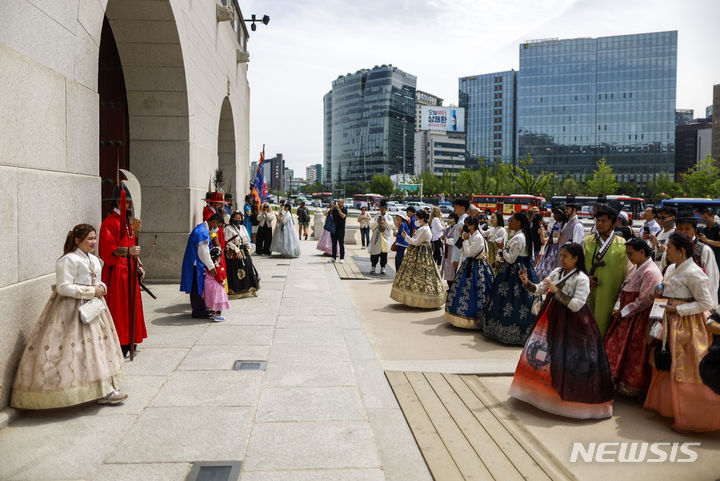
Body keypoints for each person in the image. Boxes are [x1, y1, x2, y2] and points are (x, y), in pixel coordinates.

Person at [11, 224, 127, 409]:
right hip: (70, 311)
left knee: (98, 349)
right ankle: (68, 391)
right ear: (77, 240)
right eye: (89, 238)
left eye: (94, 238)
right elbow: (63, 287)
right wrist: (91, 291)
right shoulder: (68, 260)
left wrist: (102, 287)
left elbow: (97, 281)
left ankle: (105, 389)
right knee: (72, 353)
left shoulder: (94, 259)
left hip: (95, 309)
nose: (93, 242)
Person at [511, 242, 613, 419]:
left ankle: (567, 403)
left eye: (566, 256)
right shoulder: (557, 272)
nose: (562, 259)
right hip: (552, 319)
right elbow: (539, 289)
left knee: (567, 358)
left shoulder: (581, 279)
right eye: (561, 255)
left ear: (576, 258)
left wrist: (556, 290)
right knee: (545, 353)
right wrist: (526, 282)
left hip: (575, 325)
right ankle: (537, 395)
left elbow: (576, 305)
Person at [644, 233, 720, 432]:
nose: (666, 250)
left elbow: (706, 303)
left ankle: (692, 417)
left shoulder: (694, 272)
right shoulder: (670, 268)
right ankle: (670, 408)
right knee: (666, 361)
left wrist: (678, 309)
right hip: (667, 320)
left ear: (681, 250)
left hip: (687, 325)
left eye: (669, 248)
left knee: (687, 367)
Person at [604, 238, 663, 400]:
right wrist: (618, 308)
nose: (629, 257)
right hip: (625, 316)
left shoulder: (651, 272)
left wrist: (624, 311)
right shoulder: (635, 268)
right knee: (615, 348)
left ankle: (631, 388)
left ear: (642, 252)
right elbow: (623, 291)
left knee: (633, 353)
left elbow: (645, 300)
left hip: (637, 319)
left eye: (631, 254)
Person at [99, 185, 147, 358]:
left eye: (129, 203)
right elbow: (107, 251)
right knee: (119, 308)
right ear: (118, 201)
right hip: (116, 271)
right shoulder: (109, 223)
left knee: (132, 306)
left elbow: (132, 244)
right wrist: (128, 252)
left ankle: (131, 338)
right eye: (126, 202)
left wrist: (138, 263)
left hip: (130, 269)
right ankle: (121, 340)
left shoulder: (128, 222)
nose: (129, 205)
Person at [484, 211, 538, 346]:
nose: (509, 222)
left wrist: (502, 249)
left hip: (514, 272)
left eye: (512, 220)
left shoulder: (518, 238)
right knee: (525, 300)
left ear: (518, 223)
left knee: (509, 299)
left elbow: (511, 259)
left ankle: (507, 331)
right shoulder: (524, 235)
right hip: (525, 269)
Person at [584, 202, 627, 336]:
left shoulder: (623, 245)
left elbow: (629, 273)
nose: (599, 224)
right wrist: (585, 278)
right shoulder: (586, 241)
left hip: (611, 296)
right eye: (598, 221)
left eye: (604, 221)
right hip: (588, 293)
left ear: (613, 223)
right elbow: (576, 266)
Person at [445, 216, 494, 329]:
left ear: (472, 226)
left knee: (475, 291)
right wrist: (464, 238)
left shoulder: (477, 238)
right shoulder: (472, 235)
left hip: (476, 267)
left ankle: (473, 318)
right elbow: (460, 247)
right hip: (470, 265)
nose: (465, 226)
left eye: (467, 224)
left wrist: (466, 240)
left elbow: (469, 252)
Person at [661, 213, 719, 307]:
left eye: (687, 229)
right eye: (680, 228)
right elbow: (663, 273)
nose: (683, 232)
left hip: (697, 306)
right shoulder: (668, 251)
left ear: (695, 230)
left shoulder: (704, 250)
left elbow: (712, 282)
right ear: (676, 230)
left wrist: (711, 309)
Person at [390, 209, 446, 308]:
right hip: (419, 253)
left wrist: (406, 236)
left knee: (421, 276)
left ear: (422, 219)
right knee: (416, 275)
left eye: (417, 219)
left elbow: (416, 242)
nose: (415, 221)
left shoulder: (425, 229)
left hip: (421, 254)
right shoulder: (423, 228)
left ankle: (422, 299)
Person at [181, 214, 223, 319]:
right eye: (218, 225)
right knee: (196, 287)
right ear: (213, 222)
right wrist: (211, 266)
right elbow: (203, 252)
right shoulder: (202, 232)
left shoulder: (202, 229)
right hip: (195, 264)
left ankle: (201, 308)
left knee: (198, 287)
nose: (217, 228)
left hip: (196, 263)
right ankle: (198, 311)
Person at [225, 211, 261, 298]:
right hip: (234, 251)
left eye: (239, 219)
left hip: (244, 250)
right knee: (237, 270)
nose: (237, 220)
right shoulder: (228, 229)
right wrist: (236, 250)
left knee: (249, 267)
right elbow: (227, 242)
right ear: (232, 219)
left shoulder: (243, 228)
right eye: (235, 218)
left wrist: (249, 248)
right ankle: (237, 290)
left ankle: (251, 288)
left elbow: (247, 240)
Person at [534, 207, 565, 280]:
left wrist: (553, 239)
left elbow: (557, 237)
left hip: (555, 249)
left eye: (556, 214)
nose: (554, 216)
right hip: (550, 248)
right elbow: (551, 234)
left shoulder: (563, 225)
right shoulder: (556, 223)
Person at [699, 207, 720, 301]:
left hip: (718, 259)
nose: (704, 220)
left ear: (713, 217)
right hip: (706, 260)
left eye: (706, 218)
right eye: (702, 218)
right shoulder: (703, 229)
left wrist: (707, 240)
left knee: (717, 283)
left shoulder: (718, 228)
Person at [368, 201, 395, 275]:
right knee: (374, 254)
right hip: (376, 239)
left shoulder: (389, 217)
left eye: (384, 208)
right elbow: (371, 226)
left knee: (384, 254)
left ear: (386, 209)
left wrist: (386, 222)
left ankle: (383, 268)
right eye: (381, 208)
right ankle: (373, 267)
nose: (382, 210)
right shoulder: (376, 216)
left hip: (385, 239)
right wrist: (377, 222)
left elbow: (392, 226)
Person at [451, 198, 470, 275]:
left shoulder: (462, 222)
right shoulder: (463, 220)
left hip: (462, 258)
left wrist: (456, 259)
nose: (454, 208)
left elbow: (461, 241)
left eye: (456, 206)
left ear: (462, 208)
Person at [441, 213, 459, 288]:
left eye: (451, 218)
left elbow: (455, 241)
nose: (450, 220)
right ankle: (449, 287)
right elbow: (443, 236)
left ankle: (453, 288)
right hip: (447, 251)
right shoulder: (448, 228)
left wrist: (446, 240)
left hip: (453, 252)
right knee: (447, 269)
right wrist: (443, 237)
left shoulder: (457, 228)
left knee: (452, 271)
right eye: (449, 218)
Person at [329, 199, 348, 263]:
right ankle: (333, 257)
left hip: (341, 229)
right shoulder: (334, 209)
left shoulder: (344, 209)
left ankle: (342, 258)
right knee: (333, 244)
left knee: (341, 243)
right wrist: (332, 208)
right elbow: (327, 214)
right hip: (334, 229)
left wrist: (339, 209)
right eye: (338, 202)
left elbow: (343, 216)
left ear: (342, 203)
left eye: (340, 203)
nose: (339, 204)